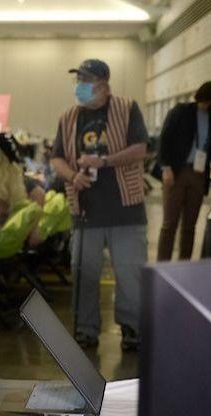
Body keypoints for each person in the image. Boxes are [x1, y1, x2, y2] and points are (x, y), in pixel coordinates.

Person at [50, 59, 148, 351]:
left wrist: (103, 161)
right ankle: (85, 329)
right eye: (77, 80)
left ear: (104, 85)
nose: (79, 86)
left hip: (125, 207)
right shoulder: (68, 117)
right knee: (84, 271)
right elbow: (56, 158)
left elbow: (140, 149)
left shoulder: (127, 108)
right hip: (85, 209)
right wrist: (72, 176)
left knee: (129, 272)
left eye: (86, 81)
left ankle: (132, 328)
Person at [156, 81, 211, 261]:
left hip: (199, 174)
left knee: (190, 226)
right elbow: (165, 139)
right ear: (210, 96)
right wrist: (165, 167)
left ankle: (184, 266)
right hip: (176, 172)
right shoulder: (181, 111)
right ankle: (162, 265)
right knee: (169, 223)